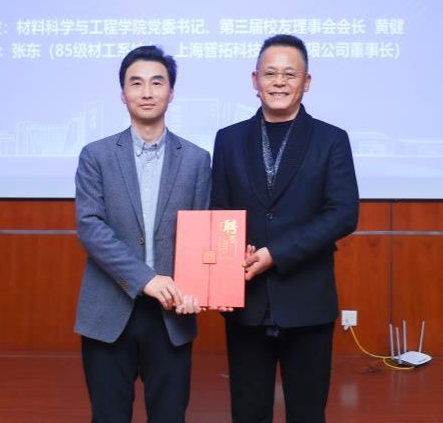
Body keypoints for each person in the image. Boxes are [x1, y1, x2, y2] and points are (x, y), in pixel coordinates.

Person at [210, 34, 359, 423]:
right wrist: (233, 254)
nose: (279, 82)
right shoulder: (228, 139)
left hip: (308, 301)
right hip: (246, 301)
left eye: (290, 74)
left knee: (307, 414)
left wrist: (276, 253)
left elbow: (343, 214)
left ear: (306, 82)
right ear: (255, 79)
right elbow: (220, 210)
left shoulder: (331, 139)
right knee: (247, 413)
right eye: (270, 73)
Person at [74, 45, 211, 423]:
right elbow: (90, 227)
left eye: (157, 82)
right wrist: (146, 280)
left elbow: (201, 232)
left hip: (172, 316)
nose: (147, 92)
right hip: (108, 311)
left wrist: (198, 288)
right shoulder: (96, 155)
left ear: (171, 92)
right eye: (136, 83)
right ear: (123, 93)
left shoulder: (197, 159)